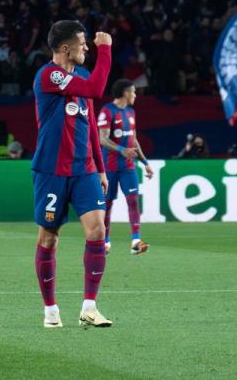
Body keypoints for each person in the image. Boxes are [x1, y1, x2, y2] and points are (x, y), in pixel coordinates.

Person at [31, 20, 113, 329]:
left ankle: (89, 307)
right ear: (66, 48)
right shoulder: (50, 75)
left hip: (84, 169)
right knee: (49, 239)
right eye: (83, 43)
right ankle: (51, 310)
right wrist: (106, 49)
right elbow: (97, 88)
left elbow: (91, 125)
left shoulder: (79, 78)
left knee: (97, 231)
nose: (88, 48)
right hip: (52, 171)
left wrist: (101, 168)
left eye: (91, 45)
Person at [97, 79, 153, 255]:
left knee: (133, 201)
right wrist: (122, 150)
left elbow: (134, 139)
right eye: (133, 92)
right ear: (125, 93)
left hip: (128, 167)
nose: (135, 95)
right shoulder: (107, 111)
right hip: (109, 167)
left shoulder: (131, 112)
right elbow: (102, 139)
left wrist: (145, 163)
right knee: (107, 205)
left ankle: (136, 241)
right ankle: (105, 242)